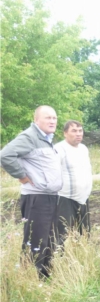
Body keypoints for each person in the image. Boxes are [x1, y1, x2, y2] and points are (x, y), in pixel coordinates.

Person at [0, 106, 62, 277]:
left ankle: (45, 276)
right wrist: (21, 176)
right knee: (36, 240)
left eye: (54, 118)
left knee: (48, 239)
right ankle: (30, 278)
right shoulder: (29, 137)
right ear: (36, 120)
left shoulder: (46, 139)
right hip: (37, 198)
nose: (52, 121)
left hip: (49, 196)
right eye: (48, 118)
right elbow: (5, 155)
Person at [55, 120, 93, 245]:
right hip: (65, 198)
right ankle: (60, 260)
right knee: (63, 233)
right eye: (74, 131)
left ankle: (82, 257)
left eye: (80, 131)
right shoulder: (58, 149)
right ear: (65, 133)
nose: (78, 134)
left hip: (83, 197)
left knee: (84, 231)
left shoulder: (83, 148)